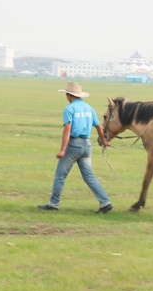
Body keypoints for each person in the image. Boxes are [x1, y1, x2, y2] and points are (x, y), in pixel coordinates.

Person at [38, 82, 113, 213]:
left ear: (69, 95)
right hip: (87, 145)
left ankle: (54, 203)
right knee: (89, 176)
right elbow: (99, 127)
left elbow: (68, 129)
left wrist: (62, 150)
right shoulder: (89, 108)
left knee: (60, 175)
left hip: (73, 145)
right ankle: (105, 202)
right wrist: (104, 141)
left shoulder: (69, 109)